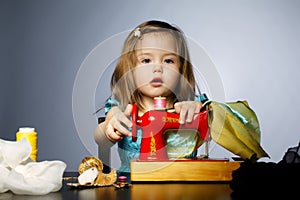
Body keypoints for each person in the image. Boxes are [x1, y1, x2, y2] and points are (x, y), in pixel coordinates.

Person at [94, 20, 208, 174]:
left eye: (168, 60)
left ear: (181, 69)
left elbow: (221, 126)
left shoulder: (192, 107)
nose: (157, 68)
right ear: (130, 68)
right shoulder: (122, 110)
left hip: (184, 186)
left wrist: (202, 112)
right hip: (132, 185)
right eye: (146, 60)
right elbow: (100, 138)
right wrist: (109, 125)